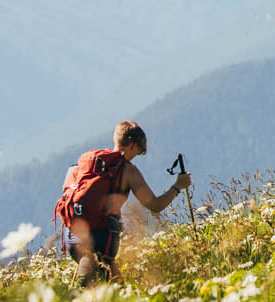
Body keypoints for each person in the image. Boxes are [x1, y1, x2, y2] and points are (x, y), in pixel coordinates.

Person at [56, 120, 191, 285]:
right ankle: (75, 300)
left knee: (113, 284)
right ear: (132, 146)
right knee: (93, 280)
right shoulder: (127, 171)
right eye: (139, 151)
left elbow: (67, 188)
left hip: (72, 233)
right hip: (101, 237)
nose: (137, 155)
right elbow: (156, 205)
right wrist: (178, 186)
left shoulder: (91, 160)